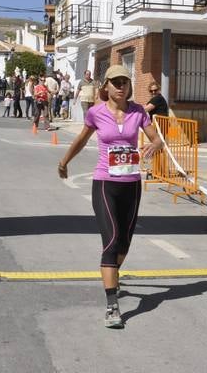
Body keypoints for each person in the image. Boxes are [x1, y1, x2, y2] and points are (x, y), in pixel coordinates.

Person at [57, 65, 163, 329]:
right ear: (106, 86)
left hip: (132, 184)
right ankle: (112, 305)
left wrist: (155, 144)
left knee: (125, 244)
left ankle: (113, 275)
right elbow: (82, 139)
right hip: (105, 182)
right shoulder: (96, 113)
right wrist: (64, 161)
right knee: (112, 239)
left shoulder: (138, 112)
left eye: (124, 82)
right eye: (115, 82)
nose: (120, 87)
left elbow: (157, 139)